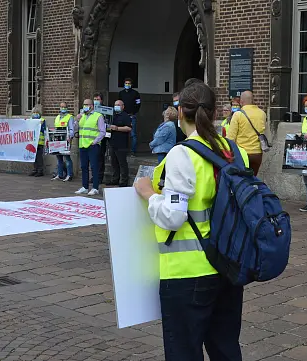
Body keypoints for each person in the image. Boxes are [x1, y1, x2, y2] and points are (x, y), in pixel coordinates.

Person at [133, 81, 247, 361]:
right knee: (226, 349)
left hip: (188, 273)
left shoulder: (183, 153)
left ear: (181, 111)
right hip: (229, 266)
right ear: (215, 112)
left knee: (184, 352)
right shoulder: (235, 151)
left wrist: (148, 193)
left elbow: (173, 216)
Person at [227, 90, 266, 175]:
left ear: (241, 101)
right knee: (253, 178)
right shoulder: (262, 113)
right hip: (257, 154)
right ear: (253, 100)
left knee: (242, 179)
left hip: (241, 154)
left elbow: (230, 138)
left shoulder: (238, 115)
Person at [75, 98, 106, 196]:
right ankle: (85, 187)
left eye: (86, 104)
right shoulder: (82, 116)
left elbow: (102, 131)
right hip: (82, 144)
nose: (84, 106)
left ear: (92, 106)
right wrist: (77, 120)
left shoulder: (98, 116)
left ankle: (95, 187)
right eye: (83, 104)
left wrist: (95, 141)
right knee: (84, 166)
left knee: (94, 166)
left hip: (93, 146)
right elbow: (76, 129)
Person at [106, 100, 133, 186]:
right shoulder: (112, 115)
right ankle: (115, 179)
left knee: (122, 163)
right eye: (115, 105)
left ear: (123, 106)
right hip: (112, 142)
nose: (116, 106)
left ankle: (124, 181)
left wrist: (117, 128)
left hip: (121, 143)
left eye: (118, 105)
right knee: (114, 163)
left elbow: (129, 128)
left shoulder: (125, 116)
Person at [52, 102, 76, 181]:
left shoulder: (70, 117)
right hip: (58, 139)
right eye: (61, 107)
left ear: (67, 108)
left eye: (64, 107)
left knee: (67, 157)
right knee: (59, 157)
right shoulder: (57, 117)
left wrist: (70, 137)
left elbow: (72, 129)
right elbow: (55, 128)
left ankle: (69, 175)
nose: (63, 108)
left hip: (66, 139)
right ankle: (60, 174)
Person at [119, 78, 142, 153]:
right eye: (126, 83)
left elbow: (138, 104)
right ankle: (123, 149)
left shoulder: (136, 93)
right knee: (122, 132)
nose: (127, 85)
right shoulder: (121, 93)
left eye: (129, 83)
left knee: (133, 134)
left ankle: (133, 151)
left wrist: (134, 112)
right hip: (123, 116)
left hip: (132, 116)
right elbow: (119, 103)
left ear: (131, 84)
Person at [93, 93, 109, 185]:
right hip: (92, 137)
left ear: (101, 100)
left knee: (100, 157)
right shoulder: (91, 110)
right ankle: (94, 176)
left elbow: (108, 121)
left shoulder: (105, 110)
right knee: (93, 158)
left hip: (102, 137)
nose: (96, 101)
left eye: (98, 99)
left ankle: (99, 177)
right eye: (95, 99)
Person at [29, 106, 46, 177]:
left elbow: (43, 130)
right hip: (32, 142)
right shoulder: (30, 120)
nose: (35, 114)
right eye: (34, 112)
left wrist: (40, 125)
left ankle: (40, 170)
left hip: (39, 142)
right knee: (33, 157)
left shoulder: (42, 120)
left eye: (37, 112)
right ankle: (35, 169)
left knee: (39, 157)